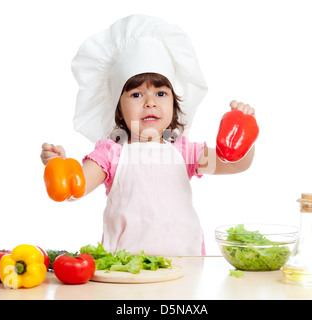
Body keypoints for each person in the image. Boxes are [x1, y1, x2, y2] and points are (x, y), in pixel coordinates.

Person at [40, 15, 256, 256]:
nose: (150, 103)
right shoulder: (111, 153)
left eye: (161, 94)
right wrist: (58, 167)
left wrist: (245, 134)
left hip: (185, 265)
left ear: (175, 103)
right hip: (125, 270)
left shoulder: (185, 151)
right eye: (136, 95)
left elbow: (236, 163)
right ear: (118, 108)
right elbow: (74, 188)